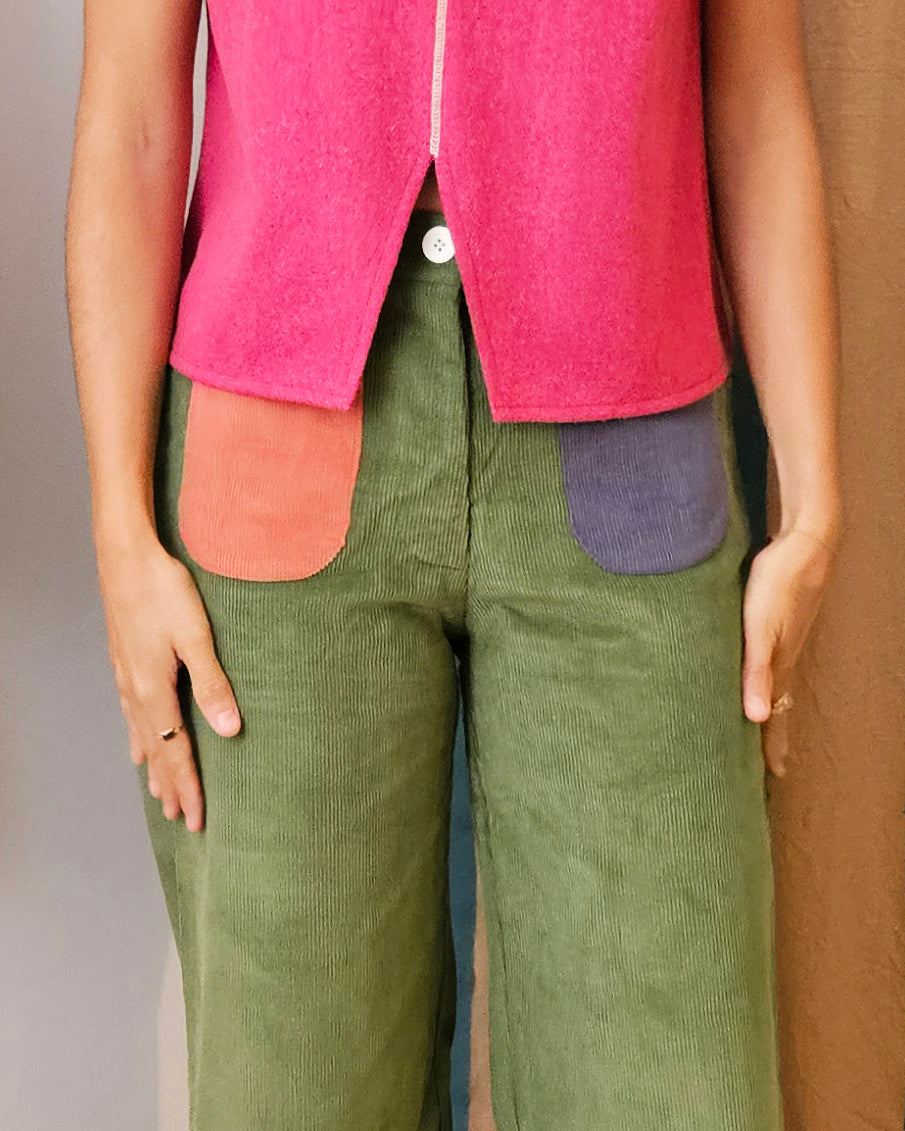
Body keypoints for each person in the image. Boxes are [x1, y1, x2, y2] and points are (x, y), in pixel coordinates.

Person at [64, 0, 841, 1126]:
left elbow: (756, 98)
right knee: (293, 1089)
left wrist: (811, 508)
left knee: (671, 1082)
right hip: (273, 446)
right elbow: (132, 117)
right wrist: (119, 533)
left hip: (630, 438)